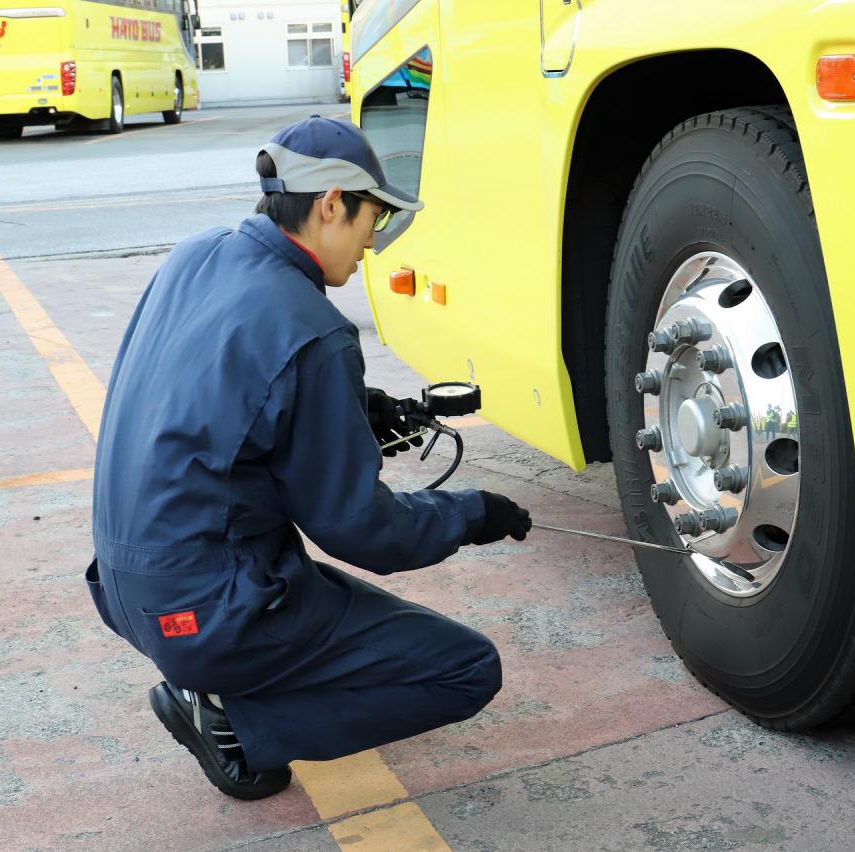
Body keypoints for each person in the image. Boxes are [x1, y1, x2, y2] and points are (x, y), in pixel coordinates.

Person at [85, 116, 532, 800]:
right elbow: (361, 530)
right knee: (466, 669)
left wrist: (353, 406)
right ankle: (230, 720)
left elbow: (217, 387)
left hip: (125, 588)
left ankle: (214, 684)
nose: (373, 244)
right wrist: (474, 514)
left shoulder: (198, 255)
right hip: (209, 614)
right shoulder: (315, 330)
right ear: (330, 204)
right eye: (370, 219)